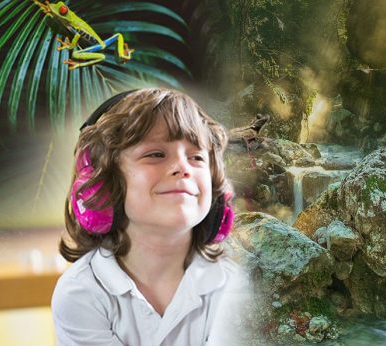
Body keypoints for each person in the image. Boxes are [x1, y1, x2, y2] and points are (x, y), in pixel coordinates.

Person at [51, 88, 249, 345]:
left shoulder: (235, 286)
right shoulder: (83, 292)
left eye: (197, 157)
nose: (183, 168)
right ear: (101, 186)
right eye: (155, 154)